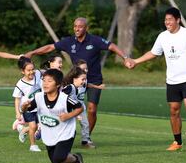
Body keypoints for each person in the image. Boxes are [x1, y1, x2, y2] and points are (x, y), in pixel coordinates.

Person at [25, 17, 130, 145]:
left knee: (91, 109)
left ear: (86, 28)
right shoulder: (69, 42)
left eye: (80, 26)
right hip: (74, 82)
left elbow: (111, 46)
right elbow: (50, 47)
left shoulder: (95, 40)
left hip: (94, 80)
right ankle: (49, 130)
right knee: (66, 108)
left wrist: (125, 58)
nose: (77, 29)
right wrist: (33, 52)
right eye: (75, 26)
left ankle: (86, 138)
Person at [127, 7, 186, 154]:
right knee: (174, 111)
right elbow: (153, 53)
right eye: (165, 20)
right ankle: (177, 142)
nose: (167, 22)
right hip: (171, 80)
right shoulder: (163, 36)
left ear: (178, 20)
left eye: (170, 19)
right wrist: (136, 61)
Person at [21, 69, 85, 163]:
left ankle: (75, 159)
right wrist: (24, 107)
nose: (45, 83)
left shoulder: (65, 98)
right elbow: (27, 109)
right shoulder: (39, 97)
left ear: (58, 85)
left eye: (49, 81)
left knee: (58, 158)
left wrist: (68, 116)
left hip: (65, 133)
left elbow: (79, 108)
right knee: (56, 162)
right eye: (44, 80)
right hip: (49, 134)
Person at [12, 57, 42, 152]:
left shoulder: (37, 74)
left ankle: (24, 130)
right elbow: (17, 99)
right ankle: (33, 146)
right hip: (27, 108)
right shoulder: (20, 84)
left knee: (40, 126)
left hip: (39, 106)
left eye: (32, 69)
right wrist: (18, 112)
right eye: (28, 70)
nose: (31, 72)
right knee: (33, 126)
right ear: (22, 71)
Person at [61, 66, 93, 149]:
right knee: (68, 131)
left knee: (72, 131)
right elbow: (61, 97)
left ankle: (65, 147)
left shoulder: (75, 88)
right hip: (64, 112)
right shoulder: (70, 87)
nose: (84, 81)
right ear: (75, 79)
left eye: (85, 79)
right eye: (82, 79)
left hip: (71, 112)